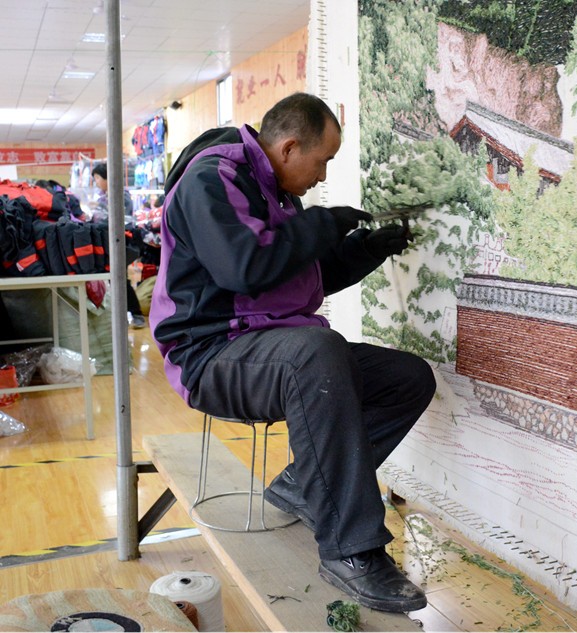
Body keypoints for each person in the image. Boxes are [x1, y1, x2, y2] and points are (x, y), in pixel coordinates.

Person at [149, 92, 434, 613]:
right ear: (289, 147)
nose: (322, 175)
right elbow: (245, 268)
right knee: (315, 353)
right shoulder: (211, 180)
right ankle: (351, 550)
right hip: (209, 356)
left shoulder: (275, 193)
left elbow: (300, 274)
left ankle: (305, 486)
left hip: (269, 349)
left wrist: (367, 248)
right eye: (322, 161)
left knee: (408, 378)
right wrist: (324, 223)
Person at [90, 162, 147, 328]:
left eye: (98, 178)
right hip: (107, 241)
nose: (97, 182)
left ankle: (135, 314)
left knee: (119, 277)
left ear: (107, 177)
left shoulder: (121, 195)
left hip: (120, 241)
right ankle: (121, 316)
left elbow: (122, 219)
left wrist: (99, 213)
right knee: (113, 278)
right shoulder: (105, 196)